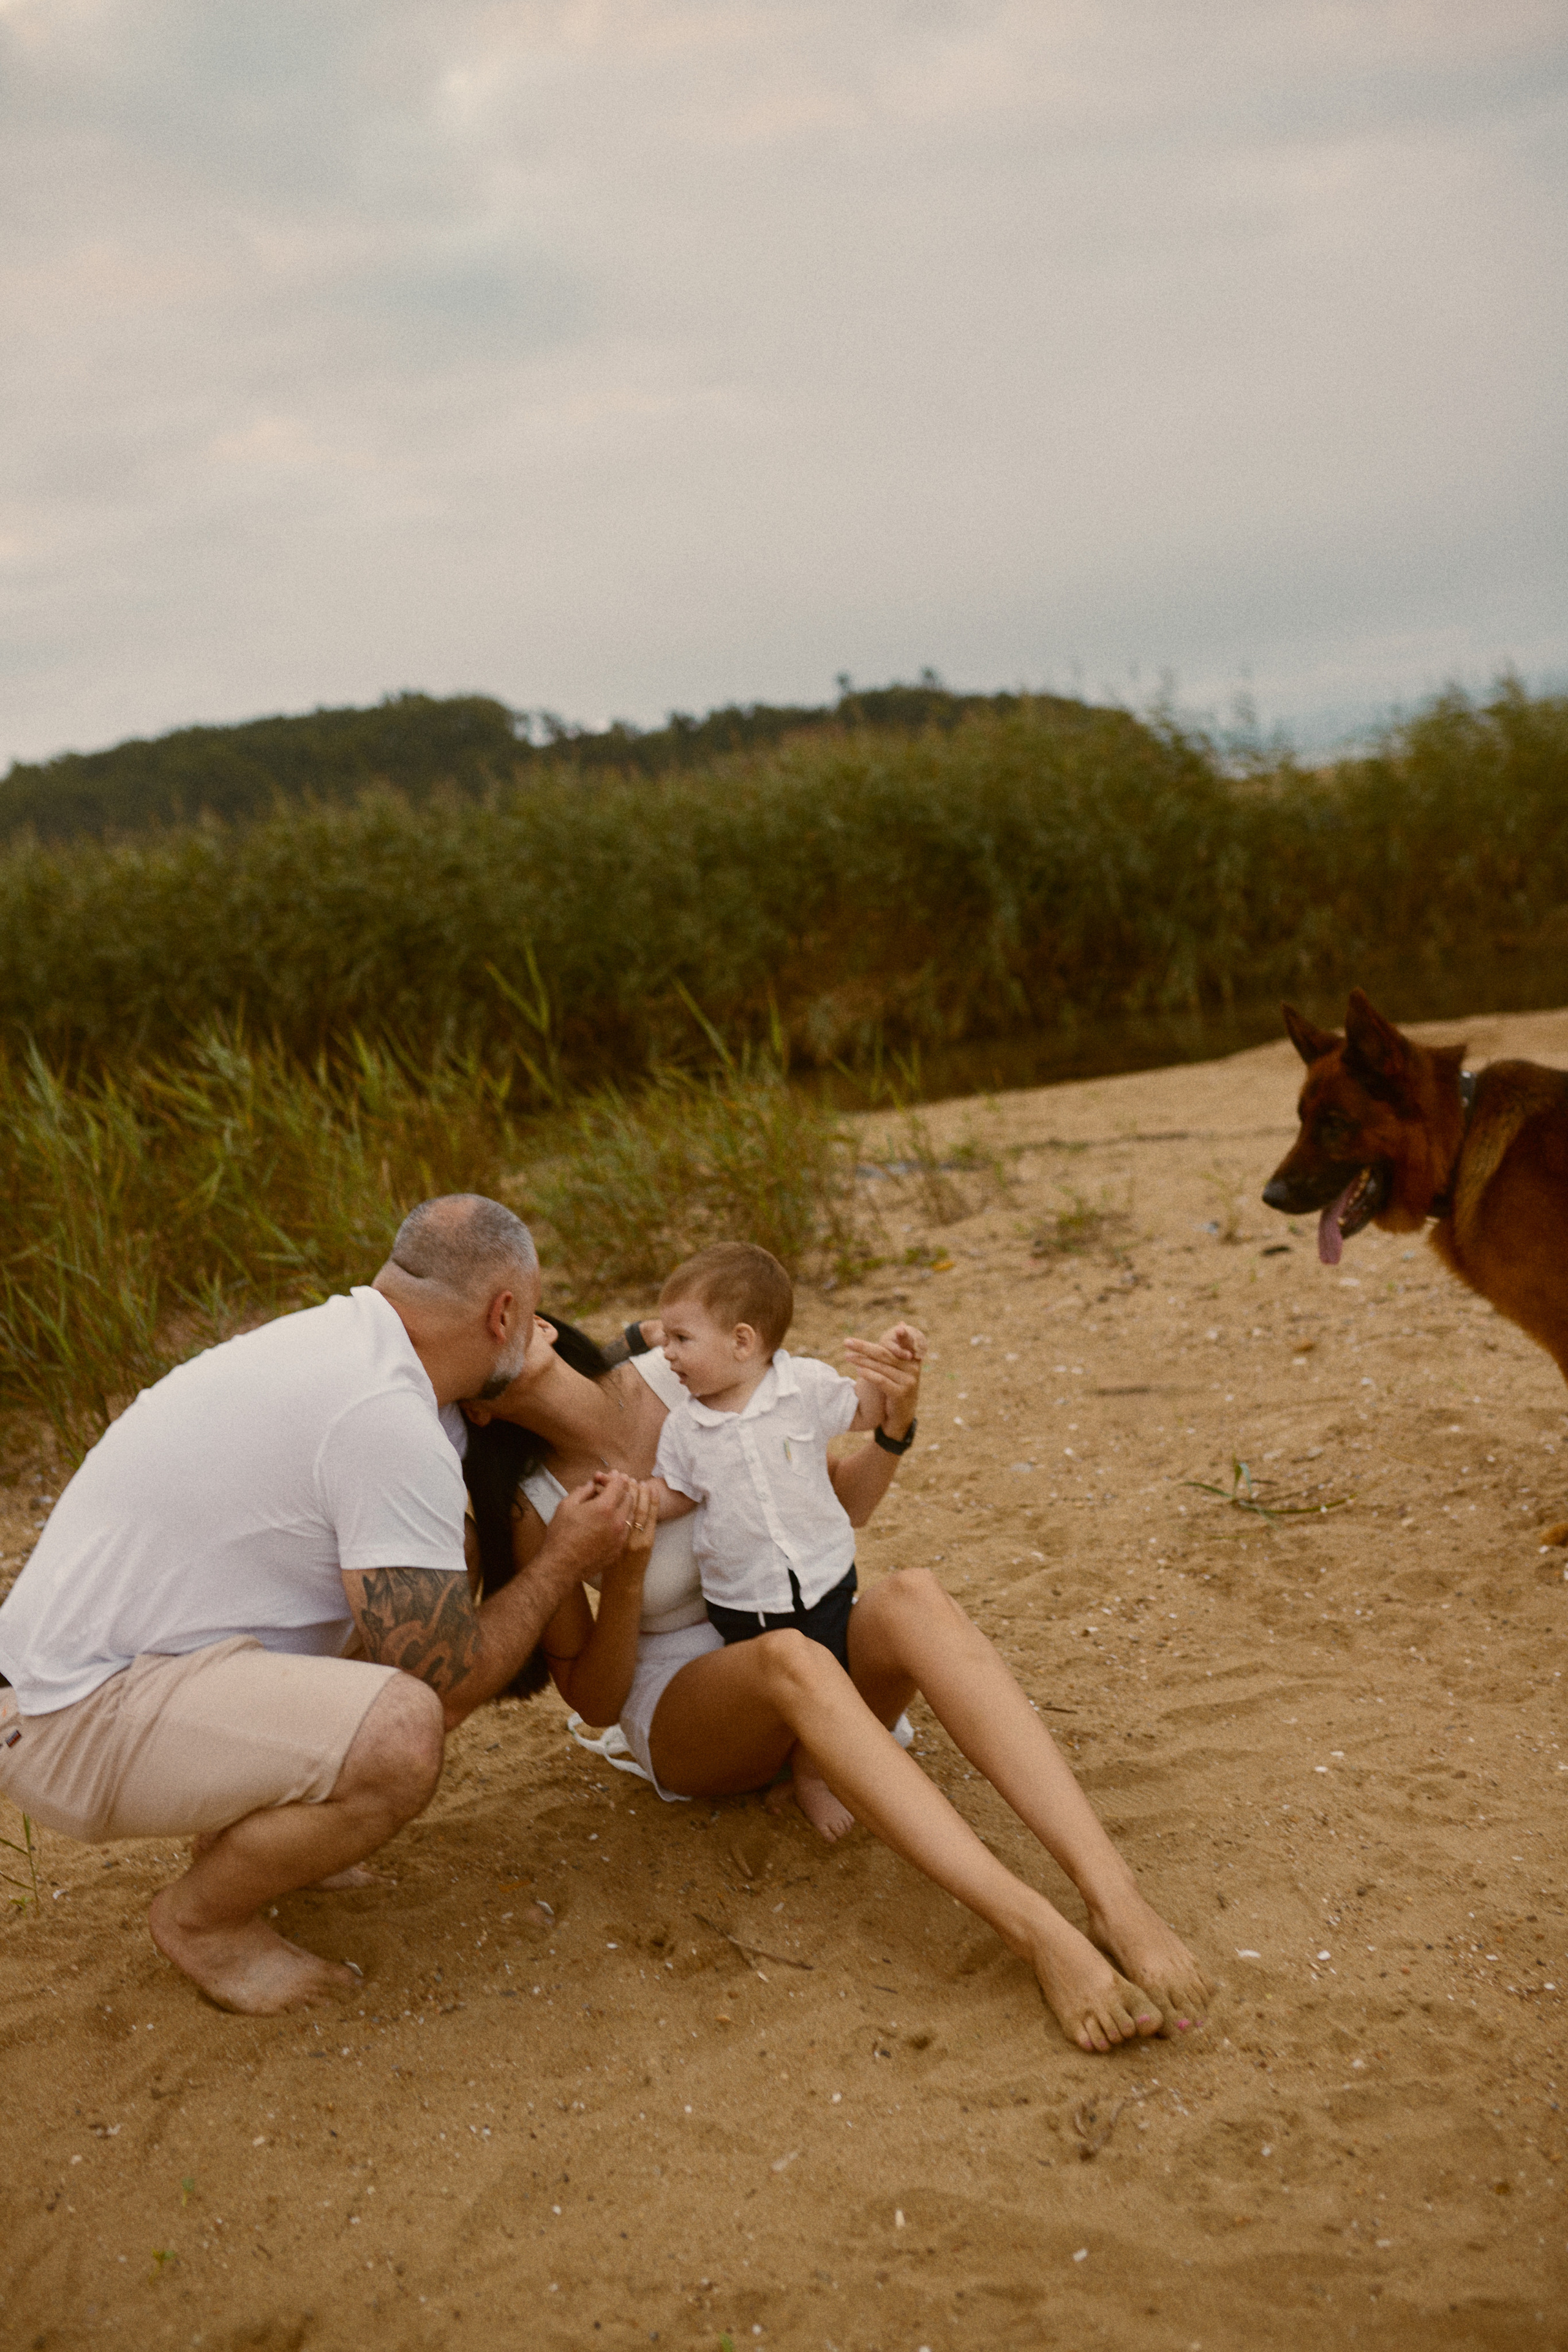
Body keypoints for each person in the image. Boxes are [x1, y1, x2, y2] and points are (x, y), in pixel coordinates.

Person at [462, 1308, 1213, 2056]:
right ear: (474, 1403)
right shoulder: (529, 1499)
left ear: (540, 1320)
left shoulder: (690, 1369)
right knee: (792, 1656)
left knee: (912, 1597)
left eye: (505, 1308)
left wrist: (894, 1426)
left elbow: (841, 1506)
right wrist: (622, 1579)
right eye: (472, 1329)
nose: (497, 1323)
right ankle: (1040, 1934)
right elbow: (593, 1699)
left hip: (803, 1645)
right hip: (689, 1709)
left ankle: (1115, 1898)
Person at [0, 1195, 647, 2018]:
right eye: (532, 1323)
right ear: (504, 1311)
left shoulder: (357, 1351)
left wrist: (588, 1363)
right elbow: (442, 1679)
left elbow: (582, 1424)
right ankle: (204, 1922)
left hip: (95, 1673)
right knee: (403, 1732)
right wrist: (563, 1561)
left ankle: (265, 1829)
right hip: (68, 1719)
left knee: (444, 1562)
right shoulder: (383, 1417)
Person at [647, 1242, 919, 1838]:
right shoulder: (684, 1426)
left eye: (680, 1339)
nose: (664, 1352)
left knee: (834, 1669)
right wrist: (642, 1499)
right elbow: (680, 1493)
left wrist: (891, 1371)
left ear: (742, 1342)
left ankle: (816, 1775)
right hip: (743, 1596)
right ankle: (786, 1764)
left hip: (821, 1573)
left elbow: (868, 1411)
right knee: (782, 1689)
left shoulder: (805, 1387)